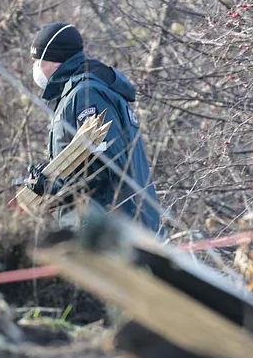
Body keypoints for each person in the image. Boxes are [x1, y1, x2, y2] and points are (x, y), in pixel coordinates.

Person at [23, 21, 163, 235]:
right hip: (104, 229)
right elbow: (82, 161)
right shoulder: (76, 93)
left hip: (114, 230)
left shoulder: (87, 94)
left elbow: (105, 168)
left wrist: (55, 190)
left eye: (37, 62)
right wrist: (47, 177)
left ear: (56, 62)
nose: (35, 68)